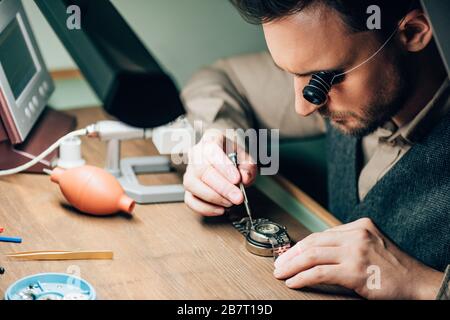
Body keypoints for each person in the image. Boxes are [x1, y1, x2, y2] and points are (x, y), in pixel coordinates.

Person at [181, 0, 449, 300]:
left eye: (322, 79)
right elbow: (221, 79)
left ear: (412, 32)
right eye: (288, 73)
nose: (303, 106)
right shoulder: (350, 83)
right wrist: (218, 138)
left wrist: (421, 283)